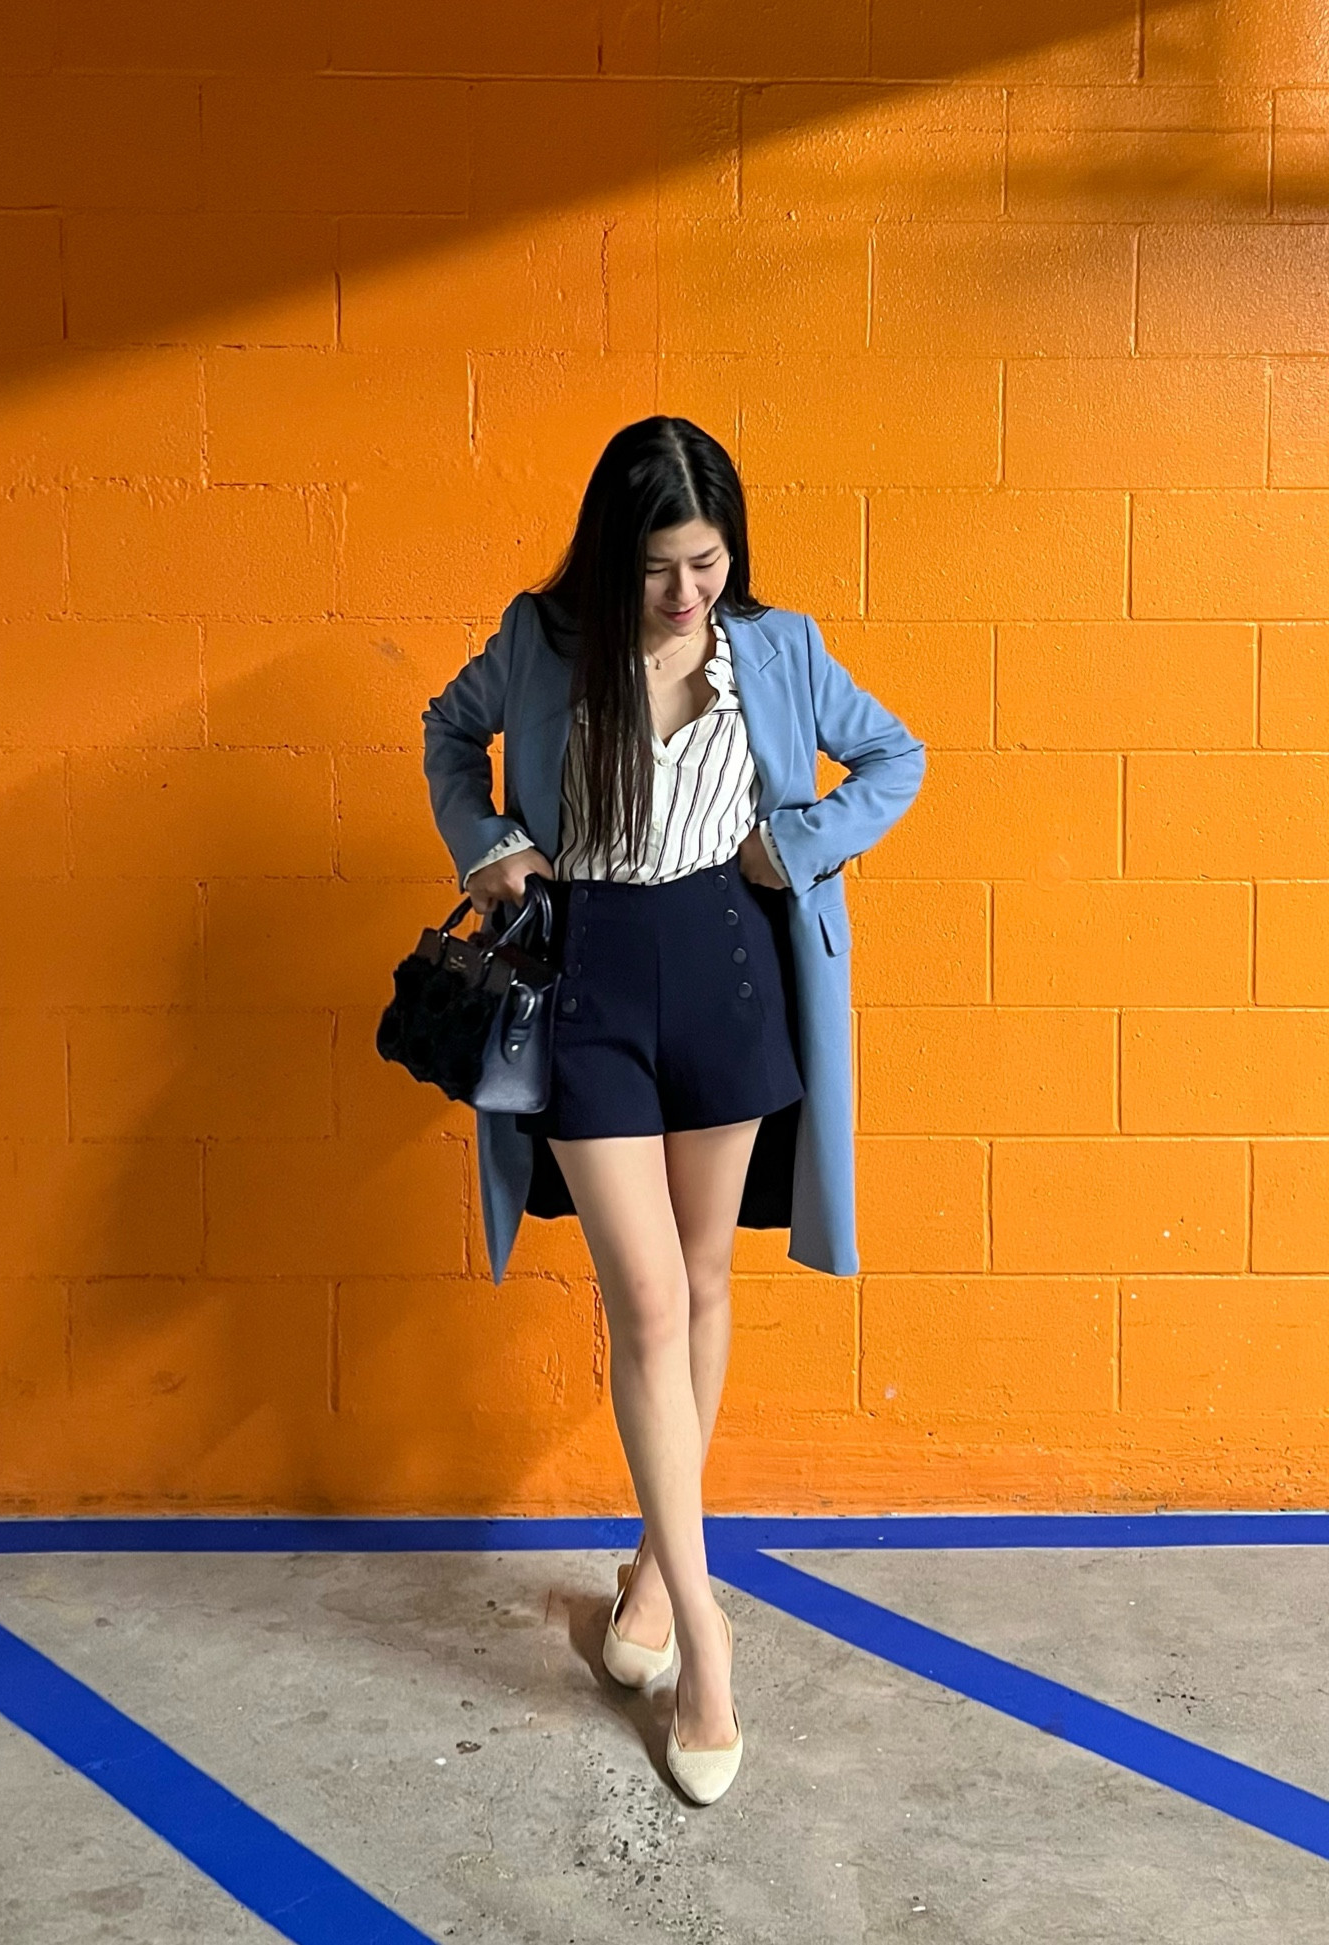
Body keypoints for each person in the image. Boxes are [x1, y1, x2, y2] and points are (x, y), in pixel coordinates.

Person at [420, 416, 925, 1806]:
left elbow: (896, 757)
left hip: (725, 965)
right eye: (657, 567)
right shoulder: (538, 637)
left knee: (703, 1281)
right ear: (610, 556)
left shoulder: (769, 644)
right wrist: (494, 846)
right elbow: (447, 730)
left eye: (705, 562)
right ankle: (702, 1637)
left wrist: (801, 838)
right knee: (642, 1300)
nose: (685, 593)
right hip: (587, 981)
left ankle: (652, 1571)